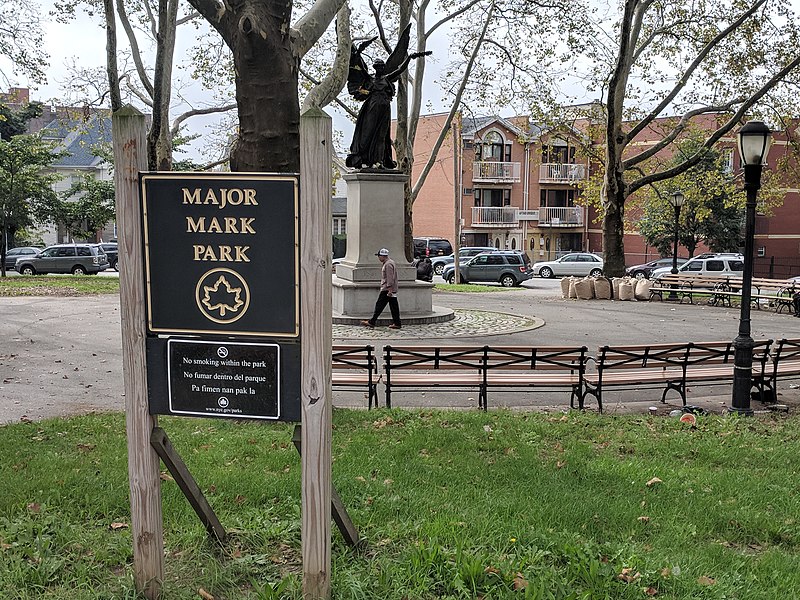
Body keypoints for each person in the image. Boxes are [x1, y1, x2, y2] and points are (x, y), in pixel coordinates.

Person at [361, 248, 402, 329]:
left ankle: (372, 321)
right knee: (394, 307)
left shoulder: (388, 264)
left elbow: (390, 278)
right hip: (389, 289)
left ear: (383, 256)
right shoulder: (390, 262)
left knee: (379, 305)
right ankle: (397, 323)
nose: (378, 258)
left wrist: (389, 290)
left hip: (387, 289)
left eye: (379, 256)